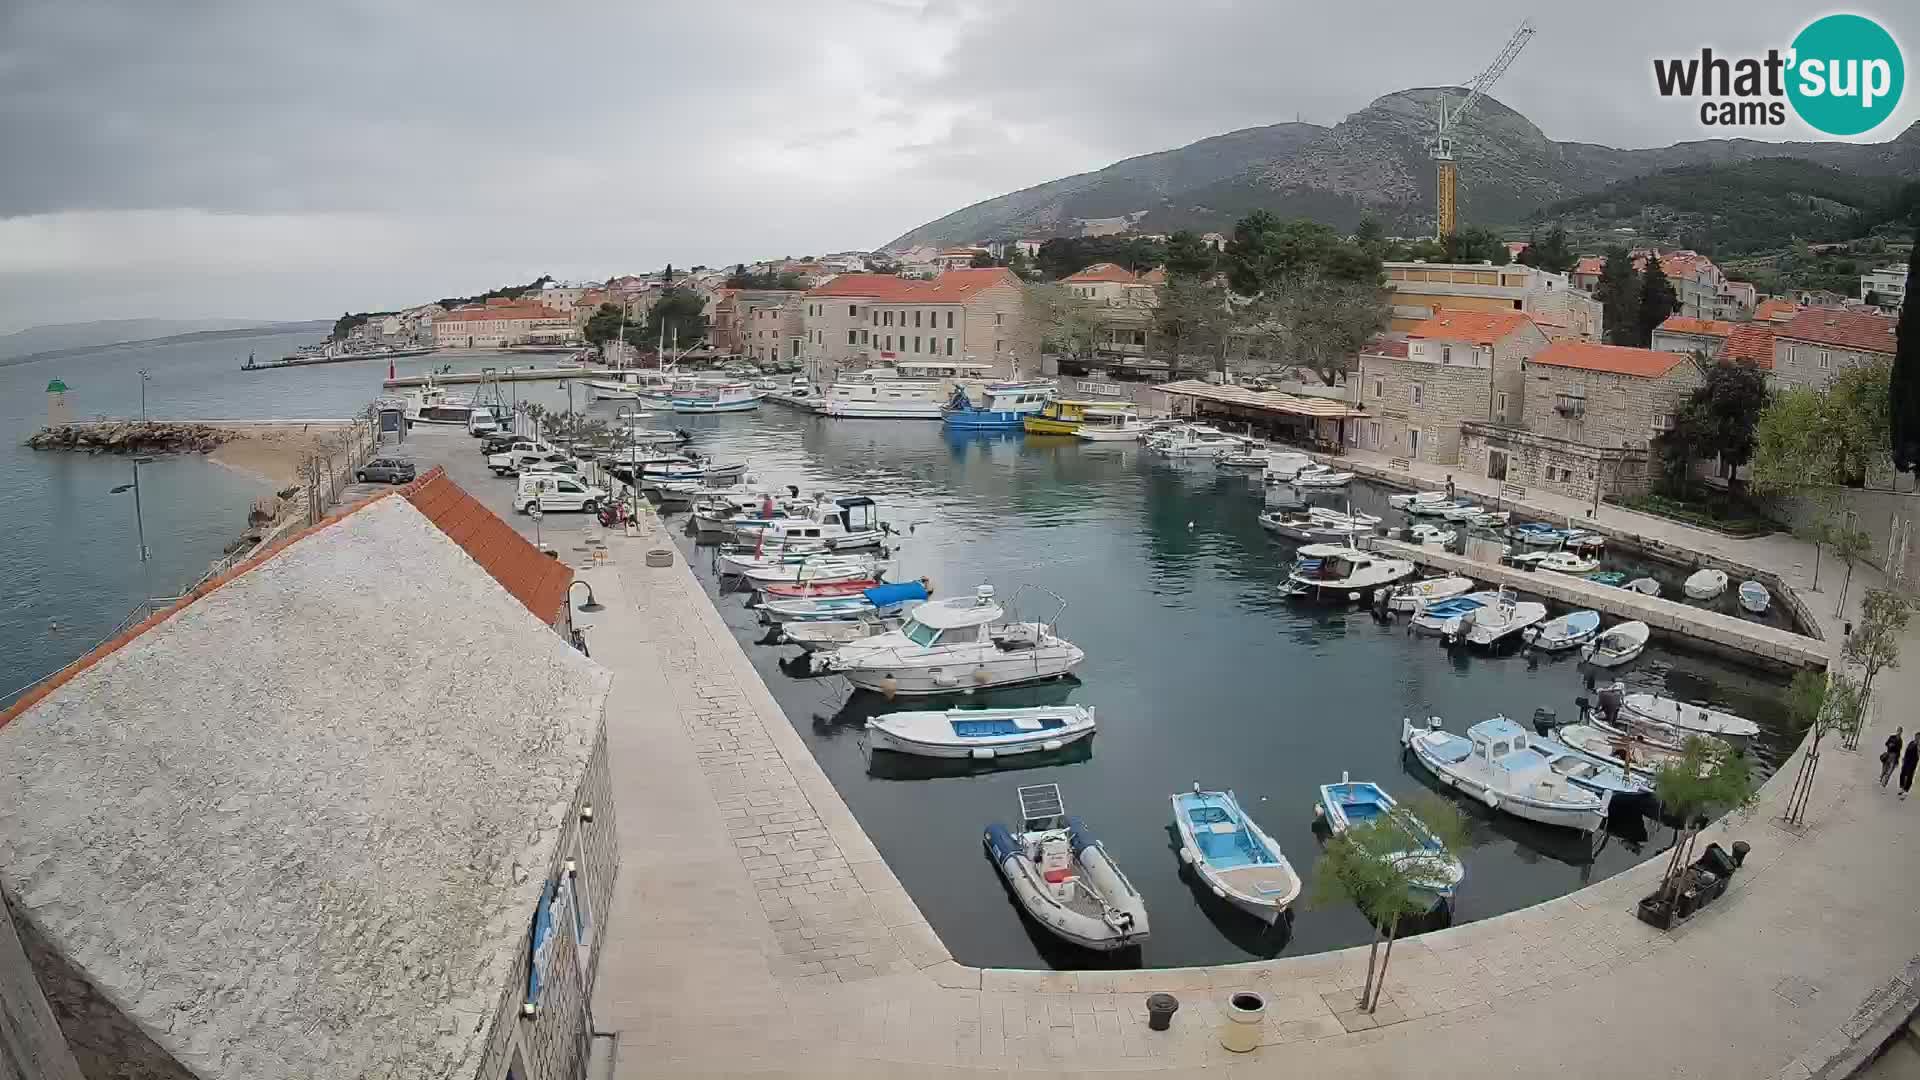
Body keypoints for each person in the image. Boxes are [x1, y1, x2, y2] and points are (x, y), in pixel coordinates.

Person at [1902, 737, 1920, 801]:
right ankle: (1903, 789)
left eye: (1918, 737)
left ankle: (1906, 791)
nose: (1916, 738)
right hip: (1907, 761)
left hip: (1913, 763)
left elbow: (1918, 755)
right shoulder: (1911, 742)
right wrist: (1904, 758)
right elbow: (1907, 750)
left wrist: (1918, 746)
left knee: (1909, 776)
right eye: (1916, 737)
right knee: (1904, 775)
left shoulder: (1918, 745)